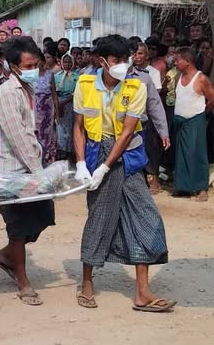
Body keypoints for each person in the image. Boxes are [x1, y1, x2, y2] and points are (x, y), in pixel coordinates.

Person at [72, 34, 173, 312]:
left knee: (147, 217)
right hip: (95, 153)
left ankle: (142, 291)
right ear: (102, 61)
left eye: (126, 60)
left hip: (127, 158)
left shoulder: (136, 87)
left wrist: (106, 168)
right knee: (100, 218)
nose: (123, 65)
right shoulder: (84, 84)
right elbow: (78, 127)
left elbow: (128, 132)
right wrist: (82, 163)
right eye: (117, 60)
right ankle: (87, 283)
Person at [0, 36, 55, 306]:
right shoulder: (7, 94)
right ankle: (23, 281)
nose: (33, 69)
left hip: (28, 167)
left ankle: (6, 256)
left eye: (36, 64)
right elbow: (18, 139)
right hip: (8, 170)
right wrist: (41, 175)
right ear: (13, 66)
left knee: (44, 216)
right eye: (28, 65)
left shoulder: (28, 89)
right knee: (19, 225)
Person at [171, 48, 214, 200]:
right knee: (181, 154)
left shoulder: (201, 78)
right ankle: (183, 186)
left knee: (198, 153)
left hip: (195, 119)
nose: (175, 62)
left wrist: (202, 114)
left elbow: (213, 100)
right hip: (179, 120)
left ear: (187, 61)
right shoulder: (178, 77)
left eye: (178, 60)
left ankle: (201, 188)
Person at [132, 43, 169, 194]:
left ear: (146, 56)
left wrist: (163, 131)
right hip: (121, 126)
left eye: (140, 53)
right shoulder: (116, 76)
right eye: (134, 53)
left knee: (149, 150)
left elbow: (155, 104)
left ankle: (152, 179)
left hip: (143, 122)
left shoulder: (147, 76)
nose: (136, 57)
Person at [55, 54, 78, 160]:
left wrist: (65, 102)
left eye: (69, 62)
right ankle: (61, 150)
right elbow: (54, 92)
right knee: (60, 128)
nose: (67, 64)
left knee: (70, 128)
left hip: (71, 103)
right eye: (65, 62)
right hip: (59, 103)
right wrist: (57, 105)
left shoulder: (76, 77)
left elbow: (76, 93)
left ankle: (70, 151)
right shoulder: (57, 76)